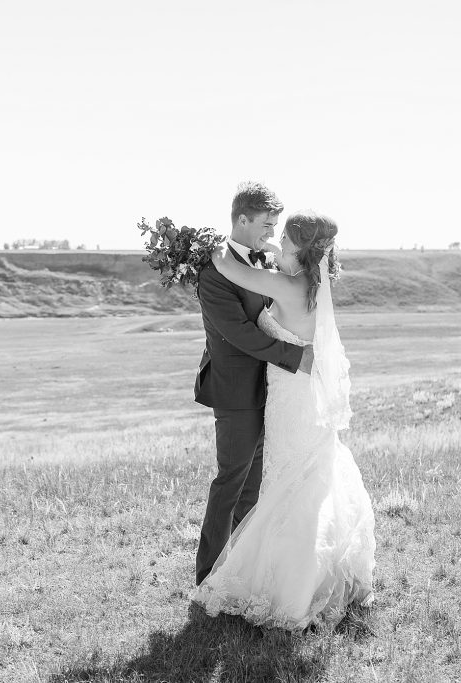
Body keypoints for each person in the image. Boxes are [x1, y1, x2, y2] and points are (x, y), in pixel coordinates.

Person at [192, 209, 376, 631]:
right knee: (304, 484)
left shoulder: (283, 284)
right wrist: (271, 246)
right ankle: (320, 574)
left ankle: (291, 585)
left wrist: (200, 245)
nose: (278, 244)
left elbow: (224, 265)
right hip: (299, 399)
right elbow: (279, 257)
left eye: (285, 239)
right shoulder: (313, 283)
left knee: (286, 487)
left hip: (289, 398)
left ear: (301, 251)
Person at [193, 182, 315, 588]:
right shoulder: (214, 272)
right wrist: (296, 357)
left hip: (272, 389)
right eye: (266, 224)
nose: (271, 232)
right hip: (236, 392)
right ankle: (208, 577)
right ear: (241, 220)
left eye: (275, 225)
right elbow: (239, 333)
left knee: (254, 487)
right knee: (231, 480)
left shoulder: (263, 261)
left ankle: (240, 570)